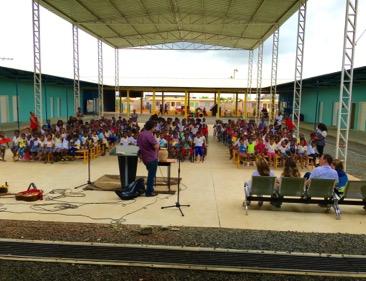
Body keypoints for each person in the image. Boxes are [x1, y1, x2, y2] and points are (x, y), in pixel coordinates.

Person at [137, 120, 159, 197]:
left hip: (145, 158)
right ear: (152, 127)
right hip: (151, 157)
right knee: (151, 176)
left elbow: (138, 146)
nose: (154, 128)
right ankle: (149, 192)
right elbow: (156, 146)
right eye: (154, 127)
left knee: (150, 174)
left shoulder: (141, 134)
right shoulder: (149, 135)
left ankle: (151, 189)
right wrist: (156, 153)